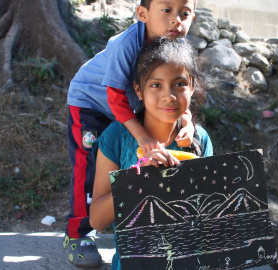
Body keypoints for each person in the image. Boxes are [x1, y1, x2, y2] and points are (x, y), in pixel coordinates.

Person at [64, 0, 198, 267]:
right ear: (142, 14)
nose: (176, 20)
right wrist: (142, 136)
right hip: (91, 103)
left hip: (127, 108)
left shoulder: (177, 44)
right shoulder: (128, 44)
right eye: (167, 11)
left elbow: (182, 87)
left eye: (184, 14)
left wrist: (187, 119)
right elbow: (114, 99)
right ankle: (78, 233)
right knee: (88, 167)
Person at [90, 38, 213, 270]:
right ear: (139, 89)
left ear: (193, 85)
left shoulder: (199, 141)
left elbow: (205, 219)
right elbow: (97, 220)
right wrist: (138, 180)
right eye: (156, 85)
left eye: (179, 84)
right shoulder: (117, 137)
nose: (169, 96)